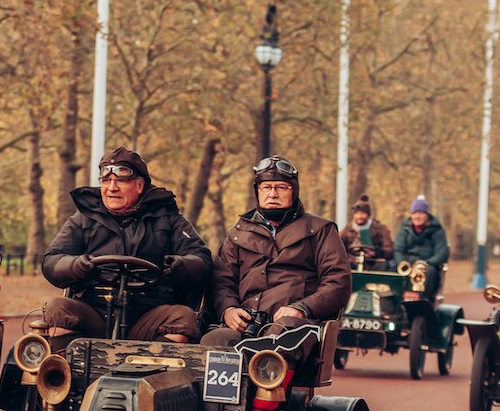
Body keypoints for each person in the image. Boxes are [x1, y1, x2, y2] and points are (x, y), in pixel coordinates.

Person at [41, 147, 211, 342]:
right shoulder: (83, 219)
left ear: (140, 186)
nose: (112, 188)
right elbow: (51, 260)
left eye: (121, 181)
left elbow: (202, 259)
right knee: (57, 309)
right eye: (106, 181)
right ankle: (62, 371)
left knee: (183, 318)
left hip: (148, 314)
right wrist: (77, 265)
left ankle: (156, 371)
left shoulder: (169, 218)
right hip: (94, 313)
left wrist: (180, 265)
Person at [203, 156, 351, 346]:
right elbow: (221, 282)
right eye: (266, 187)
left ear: (294, 191)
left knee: (279, 340)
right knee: (215, 341)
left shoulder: (320, 230)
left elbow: (338, 281)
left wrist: (303, 308)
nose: (273, 194)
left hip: (294, 323)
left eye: (281, 188)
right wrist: (228, 310)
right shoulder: (237, 235)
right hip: (246, 323)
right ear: (258, 191)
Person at [394, 195, 449, 299]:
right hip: (407, 264)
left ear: (427, 215)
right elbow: (398, 249)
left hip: (427, 265)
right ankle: (392, 301)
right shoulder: (404, 229)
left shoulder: (437, 230)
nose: (417, 216)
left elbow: (441, 253)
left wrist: (425, 264)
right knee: (391, 269)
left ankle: (422, 303)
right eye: (415, 213)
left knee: (431, 273)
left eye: (421, 213)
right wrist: (402, 263)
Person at [339, 194, 394, 268]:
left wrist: (378, 252)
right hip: (353, 262)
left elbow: (389, 249)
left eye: (362, 213)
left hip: (373, 262)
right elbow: (337, 246)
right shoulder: (348, 229)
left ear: (368, 215)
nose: (359, 216)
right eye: (357, 213)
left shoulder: (380, 229)